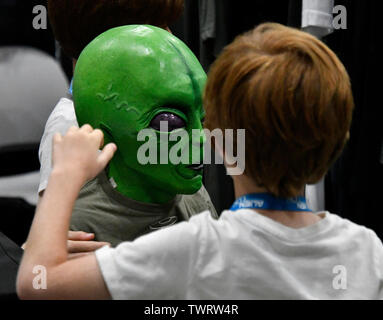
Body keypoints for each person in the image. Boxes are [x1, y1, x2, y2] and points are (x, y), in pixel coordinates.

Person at [17, 23, 383, 299]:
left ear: (222, 140)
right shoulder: (367, 249)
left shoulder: (198, 249)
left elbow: (37, 281)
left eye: (204, 118)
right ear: (337, 144)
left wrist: (63, 177)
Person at [38, 0, 217, 247]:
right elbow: (53, 230)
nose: (169, 37)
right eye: (155, 27)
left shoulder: (190, 191)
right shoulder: (70, 124)